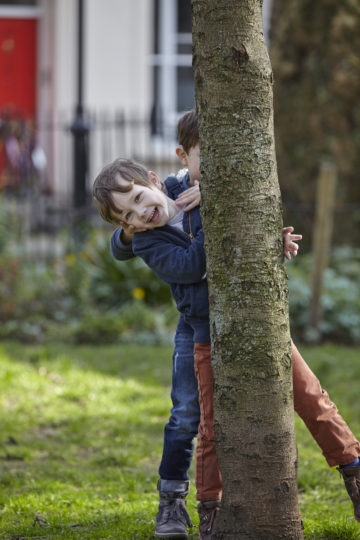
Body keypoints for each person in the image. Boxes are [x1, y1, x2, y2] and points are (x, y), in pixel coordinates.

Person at [93, 113, 360, 540]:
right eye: (129, 217)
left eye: (140, 199)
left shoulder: (189, 186)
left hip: (253, 320)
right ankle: (178, 503)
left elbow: (242, 228)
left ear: (154, 179)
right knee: (190, 417)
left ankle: (354, 469)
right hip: (198, 328)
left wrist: (272, 239)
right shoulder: (145, 239)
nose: (142, 214)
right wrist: (208, 214)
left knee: (312, 397)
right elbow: (192, 263)